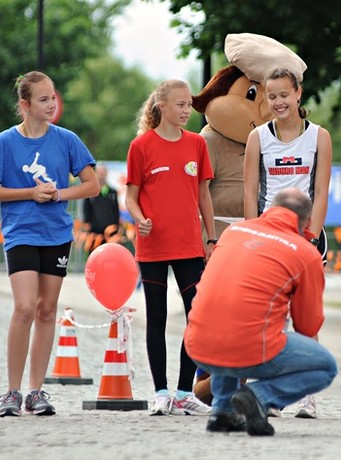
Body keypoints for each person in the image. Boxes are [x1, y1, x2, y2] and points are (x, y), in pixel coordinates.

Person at [0, 71, 100, 417]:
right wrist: (29, 193)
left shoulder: (67, 139)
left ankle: (35, 391)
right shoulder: (3, 143)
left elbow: (91, 185)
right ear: (24, 105)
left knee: (47, 310)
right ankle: (11, 392)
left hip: (57, 234)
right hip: (21, 233)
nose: (51, 104)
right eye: (43, 99)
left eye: (53, 97)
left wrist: (59, 193)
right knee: (25, 307)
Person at [184, 188, 338, 436]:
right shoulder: (305, 252)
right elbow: (308, 327)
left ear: (269, 210)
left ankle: (222, 410)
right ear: (307, 222)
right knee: (326, 367)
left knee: (233, 324)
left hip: (196, 344)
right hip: (247, 348)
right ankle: (258, 396)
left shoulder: (233, 232)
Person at [243, 67, 333, 419]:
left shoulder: (319, 137)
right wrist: (253, 232)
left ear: (298, 94)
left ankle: (306, 395)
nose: (278, 102)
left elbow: (323, 190)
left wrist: (311, 234)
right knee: (267, 318)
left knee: (305, 317)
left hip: (306, 235)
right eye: (272, 96)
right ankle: (269, 393)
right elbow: (249, 191)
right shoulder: (258, 138)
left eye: (284, 94)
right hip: (268, 235)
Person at [125, 79, 217, 416]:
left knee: (198, 316)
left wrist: (211, 237)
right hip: (153, 246)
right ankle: (161, 392)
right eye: (179, 104)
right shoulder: (141, 146)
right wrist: (140, 219)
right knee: (157, 317)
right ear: (161, 106)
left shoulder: (196, 144)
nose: (186, 110)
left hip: (190, 245)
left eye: (188, 105)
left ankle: (183, 392)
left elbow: (204, 193)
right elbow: (130, 197)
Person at [82, 164, 121, 250]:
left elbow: (116, 210)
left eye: (103, 172)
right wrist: (88, 225)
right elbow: (86, 210)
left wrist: (116, 227)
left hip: (110, 233)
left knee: (110, 255)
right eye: (100, 172)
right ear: (95, 174)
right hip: (95, 232)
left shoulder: (112, 192)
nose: (102, 174)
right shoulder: (90, 192)